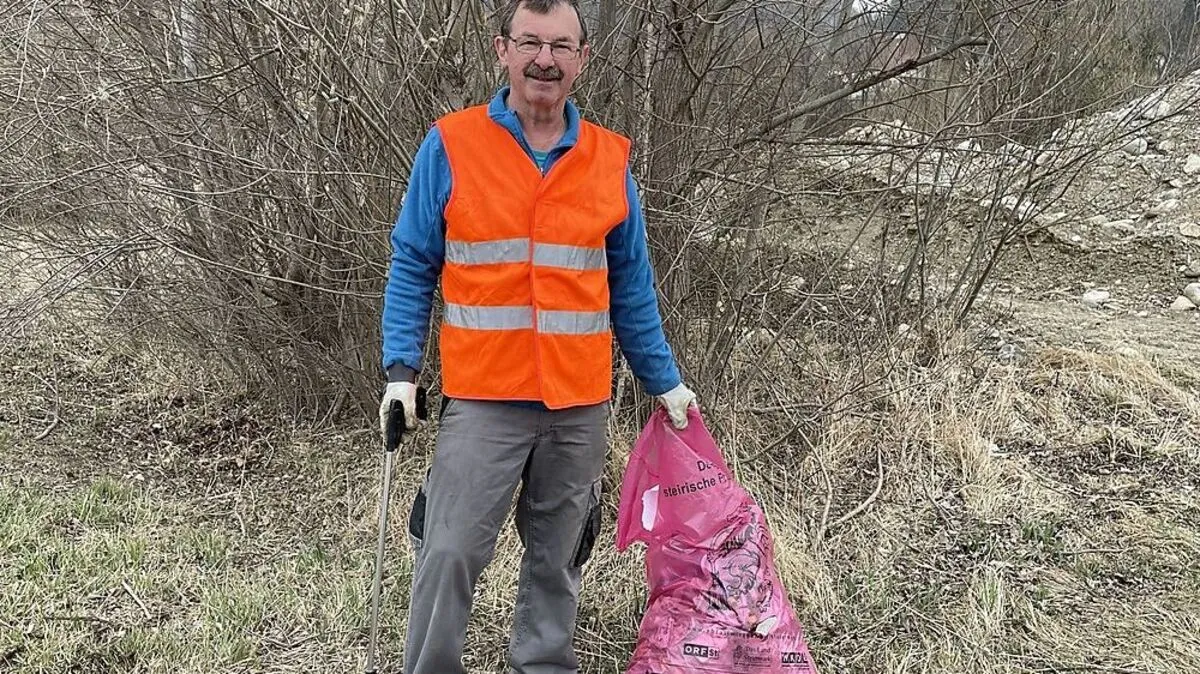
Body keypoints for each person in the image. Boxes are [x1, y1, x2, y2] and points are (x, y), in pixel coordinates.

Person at [378, 1, 696, 672]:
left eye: (560, 46)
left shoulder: (608, 160)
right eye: (530, 43)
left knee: (559, 554)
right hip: (484, 399)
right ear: (502, 50)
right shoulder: (453, 144)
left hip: (576, 406)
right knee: (450, 547)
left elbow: (631, 284)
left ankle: (542, 665)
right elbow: (413, 261)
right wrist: (400, 369)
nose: (544, 59)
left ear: (582, 58)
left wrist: (662, 379)